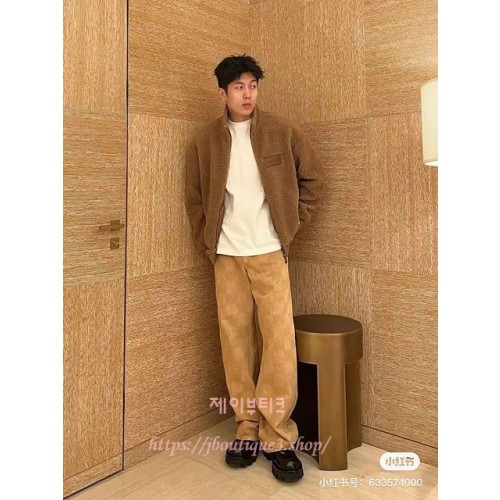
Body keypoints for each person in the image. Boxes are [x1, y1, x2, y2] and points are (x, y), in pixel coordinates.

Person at [184, 54, 325, 483]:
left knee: (279, 344)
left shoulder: (282, 130)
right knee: (235, 344)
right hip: (227, 256)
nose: (247, 94)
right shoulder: (204, 140)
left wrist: (291, 225)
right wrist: (207, 240)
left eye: (253, 85)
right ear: (222, 93)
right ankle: (246, 429)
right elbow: (194, 198)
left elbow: (313, 180)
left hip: (269, 253)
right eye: (238, 87)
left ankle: (278, 437)